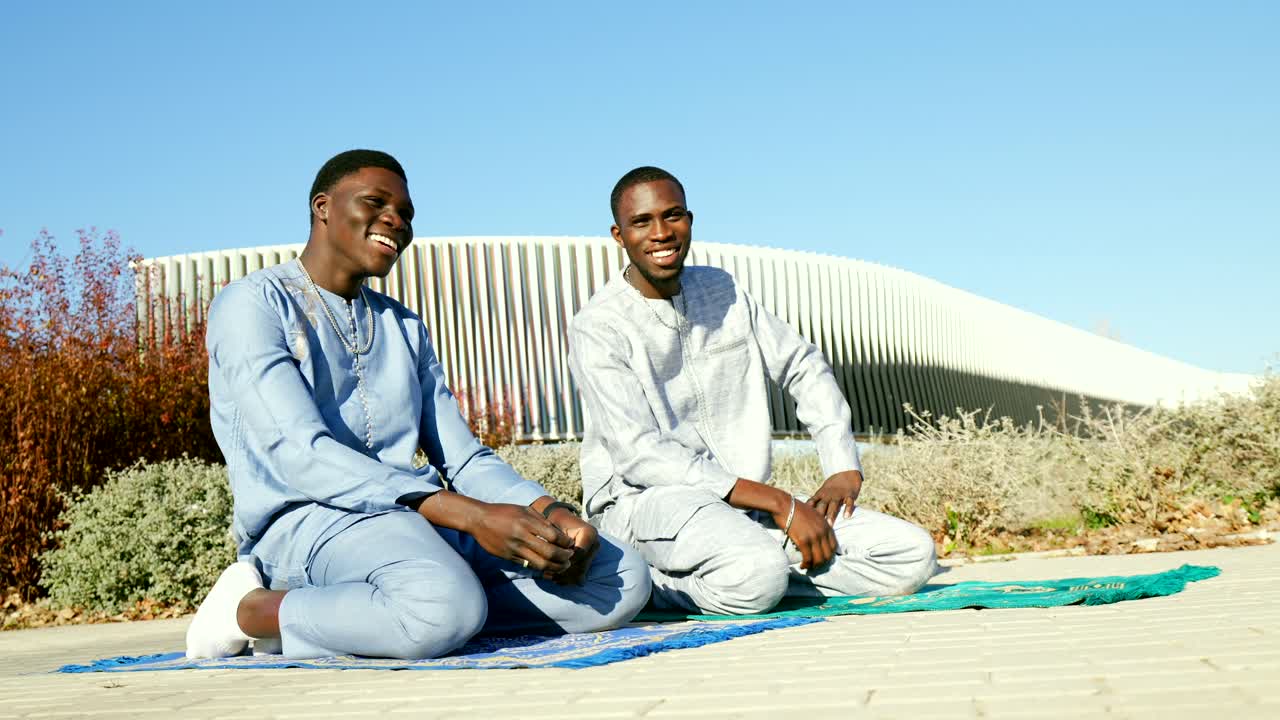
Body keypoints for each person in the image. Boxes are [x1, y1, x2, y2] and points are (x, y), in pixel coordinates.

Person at [185, 150, 650, 660]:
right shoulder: (252, 304)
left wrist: (551, 512)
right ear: (323, 206)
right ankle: (250, 611)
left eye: (406, 213)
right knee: (442, 604)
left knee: (618, 575)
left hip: (416, 524)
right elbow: (301, 453)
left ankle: (399, 614)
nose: (396, 221)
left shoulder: (403, 325)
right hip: (307, 525)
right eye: (376, 202)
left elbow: (464, 458)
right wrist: (472, 517)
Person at [567, 166, 937, 616]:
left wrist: (842, 464)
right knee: (757, 577)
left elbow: (802, 364)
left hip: (741, 506)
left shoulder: (722, 290)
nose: (661, 232)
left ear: (690, 220)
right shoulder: (598, 326)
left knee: (911, 555)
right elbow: (640, 454)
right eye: (642, 221)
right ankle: (638, 581)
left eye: (673, 216)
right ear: (619, 235)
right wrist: (781, 503)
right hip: (646, 505)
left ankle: (754, 570)